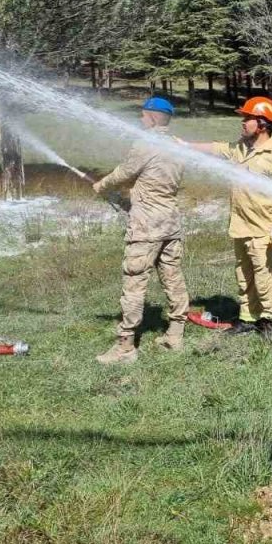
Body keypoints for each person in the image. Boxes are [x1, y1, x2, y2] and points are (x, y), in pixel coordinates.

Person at [185, 96, 272, 341]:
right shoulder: (240, 148)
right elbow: (215, 148)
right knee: (244, 276)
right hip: (241, 226)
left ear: (263, 124)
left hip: (263, 228)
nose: (243, 123)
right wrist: (183, 144)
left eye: (247, 118)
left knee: (266, 278)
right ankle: (247, 318)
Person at [93, 96, 190, 364]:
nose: (140, 119)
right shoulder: (177, 146)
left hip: (146, 226)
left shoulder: (146, 144)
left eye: (143, 115)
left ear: (154, 118)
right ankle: (175, 334)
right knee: (172, 276)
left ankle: (125, 346)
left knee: (134, 281)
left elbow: (124, 173)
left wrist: (101, 186)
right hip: (171, 223)